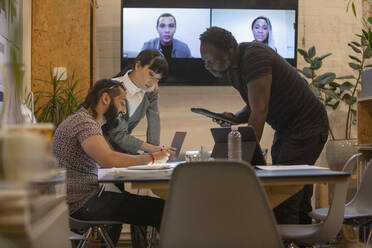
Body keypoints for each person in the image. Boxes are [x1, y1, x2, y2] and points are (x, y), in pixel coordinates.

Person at [199, 27, 329, 225]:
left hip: (307, 127)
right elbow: (255, 103)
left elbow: (260, 111)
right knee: (296, 194)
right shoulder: (234, 68)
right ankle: (303, 241)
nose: (206, 65)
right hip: (288, 129)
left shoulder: (254, 57)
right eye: (203, 60)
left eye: (210, 59)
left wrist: (245, 158)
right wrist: (236, 117)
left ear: (229, 50)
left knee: (284, 195)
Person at [52, 78, 170, 246]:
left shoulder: (83, 120)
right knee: (163, 209)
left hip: (80, 199)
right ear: (105, 99)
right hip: (82, 204)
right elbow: (109, 159)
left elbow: (107, 159)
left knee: (151, 207)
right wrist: (152, 158)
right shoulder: (84, 123)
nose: (123, 110)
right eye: (122, 103)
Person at [108, 49, 175, 156]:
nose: (152, 82)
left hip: (121, 152)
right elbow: (117, 135)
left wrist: (155, 154)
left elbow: (154, 122)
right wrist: (154, 149)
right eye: (150, 74)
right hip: (100, 152)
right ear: (138, 66)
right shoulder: (112, 88)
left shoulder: (149, 92)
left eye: (157, 79)